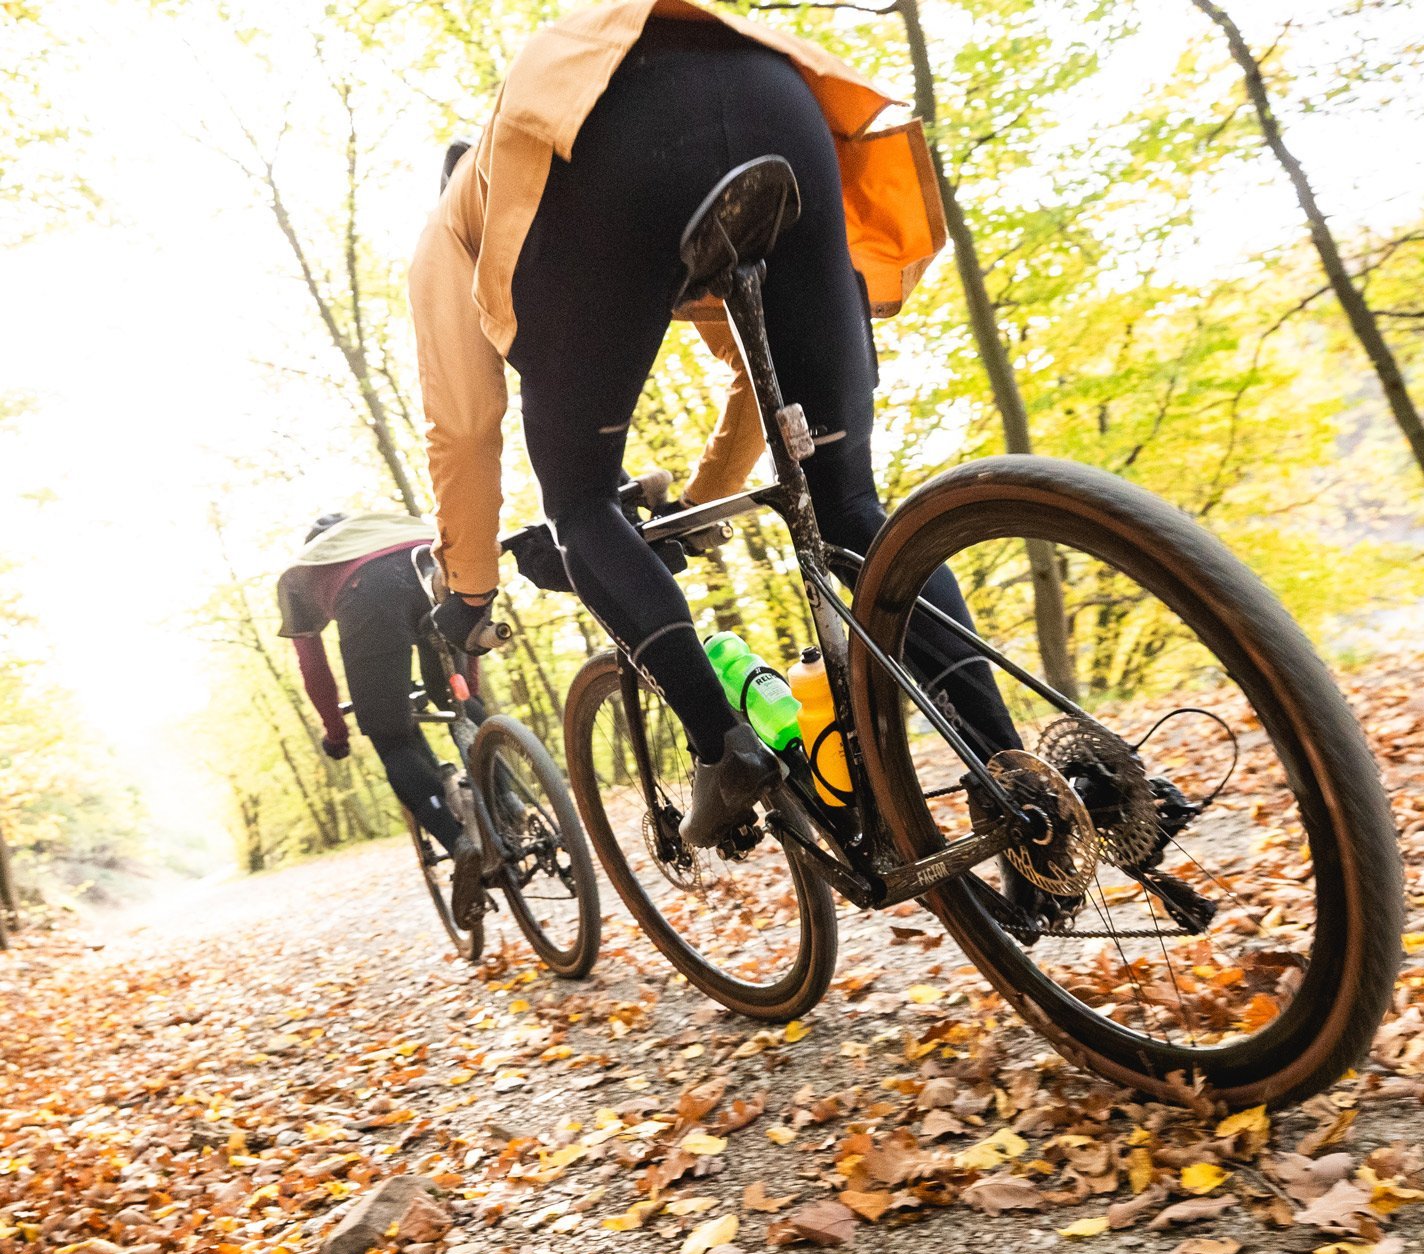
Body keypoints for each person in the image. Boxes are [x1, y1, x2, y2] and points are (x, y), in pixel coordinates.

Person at [410, 0, 1020, 850]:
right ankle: (1021, 778)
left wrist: (469, 588)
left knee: (580, 505)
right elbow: (749, 372)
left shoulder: (455, 220)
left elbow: (466, 430)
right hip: (778, 97)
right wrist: (702, 504)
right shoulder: (556, 110)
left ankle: (720, 750)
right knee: (846, 503)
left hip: (618, 147)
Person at [277, 511, 491, 924]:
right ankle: (510, 801)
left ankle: (457, 843)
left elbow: (313, 666)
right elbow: (464, 651)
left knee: (392, 737)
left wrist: (336, 733)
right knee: (457, 699)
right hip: (433, 567)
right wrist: (469, 689)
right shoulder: (390, 525)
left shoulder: (306, 571)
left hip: (369, 598)